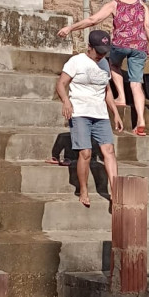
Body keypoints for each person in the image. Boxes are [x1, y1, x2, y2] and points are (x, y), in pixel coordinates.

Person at [57, 0, 149, 136]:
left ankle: (120, 96)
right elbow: (148, 26)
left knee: (113, 64)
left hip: (120, 45)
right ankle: (141, 120)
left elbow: (94, 20)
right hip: (140, 46)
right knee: (136, 84)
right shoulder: (142, 5)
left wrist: (71, 28)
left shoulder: (115, 4)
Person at [55, 29, 123, 208]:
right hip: (80, 113)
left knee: (109, 150)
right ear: (89, 47)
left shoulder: (105, 64)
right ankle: (83, 190)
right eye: (98, 51)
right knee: (85, 153)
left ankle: (115, 192)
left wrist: (115, 113)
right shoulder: (76, 61)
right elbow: (61, 84)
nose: (101, 55)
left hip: (100, 114)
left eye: (104, 52)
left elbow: (106, 90)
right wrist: (66, 102)